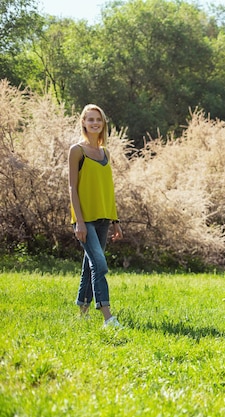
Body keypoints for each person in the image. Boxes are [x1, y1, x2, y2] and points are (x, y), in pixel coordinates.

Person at [68, 104, 123, 328]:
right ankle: (108, 316)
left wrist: (115, 221)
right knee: (99, 265)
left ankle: (82, 312)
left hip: (103, 218)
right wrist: (79, 222)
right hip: (84, 219)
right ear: (83, 122)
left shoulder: (105, 153)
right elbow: (72, 188)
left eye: (98, 120)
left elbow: (108, 189)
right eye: (90, 119)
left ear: (103, 124)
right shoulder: (76, 151)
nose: (94, 123)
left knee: (89, 266)